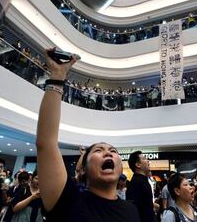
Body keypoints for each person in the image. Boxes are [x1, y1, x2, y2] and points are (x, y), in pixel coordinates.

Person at [35, 48, 140, 222]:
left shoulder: (131, 209)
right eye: (98, 150)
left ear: (121, 168)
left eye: (113, 151)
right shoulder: (68, 199)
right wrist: (57, 77)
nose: (108, 152)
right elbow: (46, 143)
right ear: (82, 169)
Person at [126, 151, 155, 222]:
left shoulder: (143, 180)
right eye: (144, 158)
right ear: (138, 165)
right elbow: (134, 210)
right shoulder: (136, 183)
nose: (148, 160)